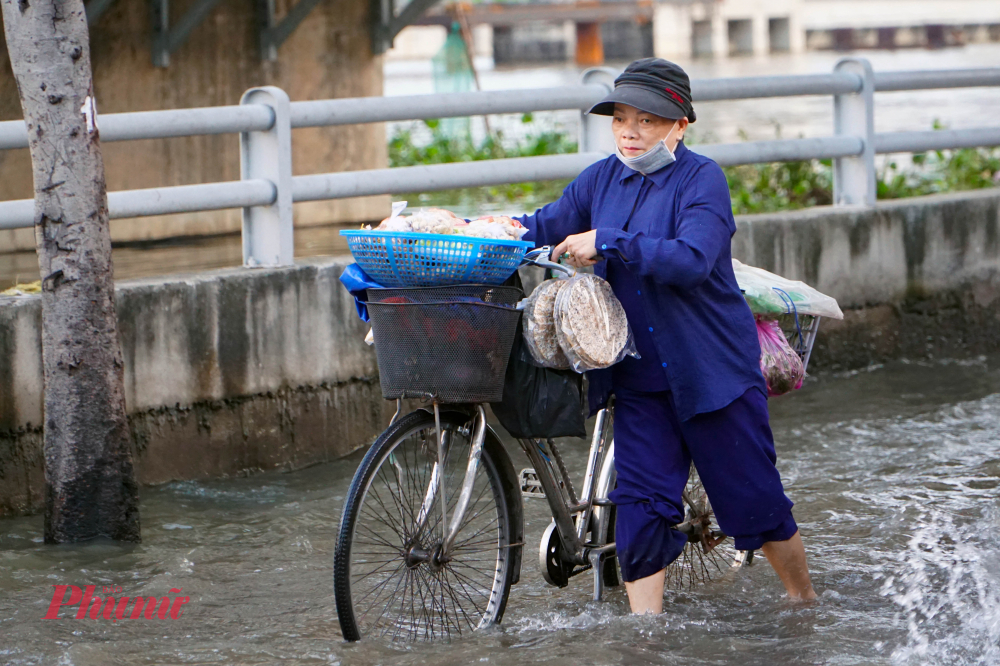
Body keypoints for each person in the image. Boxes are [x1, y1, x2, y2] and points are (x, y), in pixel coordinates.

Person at [516, 58, 817, 614]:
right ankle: (646, 636)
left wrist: (609, 241)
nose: (630, 132)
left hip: (711, 373)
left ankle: (804, 602)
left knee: (753, 501)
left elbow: (694, 260)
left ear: (680, 124)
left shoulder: (701, 179)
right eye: (620, 119)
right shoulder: (600, 179)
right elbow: (542, 223)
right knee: (640, 506)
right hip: (638, 378)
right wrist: (475, 232)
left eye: (647, 121)